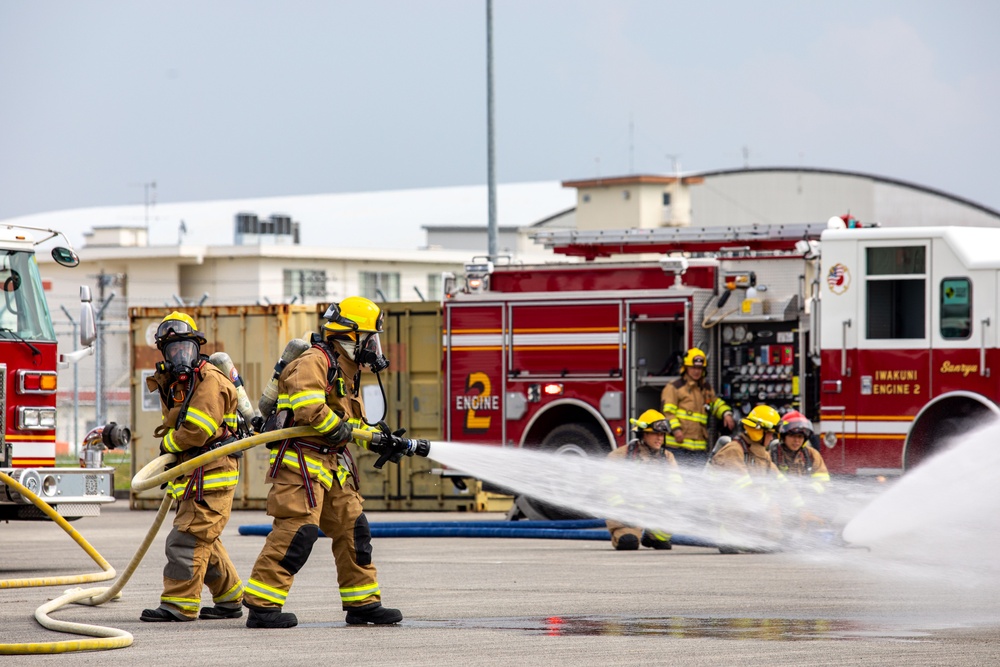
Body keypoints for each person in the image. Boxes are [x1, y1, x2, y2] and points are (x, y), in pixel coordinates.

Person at [244, 296, 417, 628]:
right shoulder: (314, 361)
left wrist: (383, 439)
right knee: (297, 532)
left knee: (354, 530)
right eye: (369, 339)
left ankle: (362, 603)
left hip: (332, 466)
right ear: (348, 336)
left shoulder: (345, 369)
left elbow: (349, 422)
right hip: (301, 465)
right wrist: (339, 429)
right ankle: (262, 606)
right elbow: (309, 407)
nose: (374, 348)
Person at [141, 312, 244, 622]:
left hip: (212, 471)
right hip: (195, 472)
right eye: (173, 350)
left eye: (186, 348)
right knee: (203, 540)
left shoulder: (210, 380)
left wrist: (168, 446)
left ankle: (178, 604)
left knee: (186, 538)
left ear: (197, 347)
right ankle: (230, 599)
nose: (180, 356)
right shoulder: (175, 383)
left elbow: (197, 430)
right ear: (164, 353)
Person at [707, 403, 793, 554]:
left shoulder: (761, 453)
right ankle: (728, 537)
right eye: (770, 433)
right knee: (765, 503)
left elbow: (780, 481)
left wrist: (800, 505)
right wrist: (771, 505)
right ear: (759, 431)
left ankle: (760, 538)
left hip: (747, 505)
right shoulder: (734, 450)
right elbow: (744, 488)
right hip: (722, 506)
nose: (773, 438)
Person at [604, 409, 682, 551]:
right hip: (628, 516)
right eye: (655, 434)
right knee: (628, 543)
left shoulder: (667, 457)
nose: (660, 438)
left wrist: (670, 501)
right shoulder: (622, 455)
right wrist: (621, 508)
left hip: (656, 513)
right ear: (643, 434)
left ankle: (652, 536)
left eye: (662, 435)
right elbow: (608, 486)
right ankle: (629, 534)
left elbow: (676, 483)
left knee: (663, 544)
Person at [660, 347, 736, 465]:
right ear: (685, 368)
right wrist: (676, 430)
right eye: (693, 367)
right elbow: (668, 412)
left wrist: (726, 414)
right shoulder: (674, 387)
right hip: (677, 447)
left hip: (699, 449)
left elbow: (716, 403)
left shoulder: (705, 389)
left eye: (700, 368)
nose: (697, 371)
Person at [771, 411, 830, 495]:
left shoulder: (811, 454)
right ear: (783, 436)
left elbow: (823, 481)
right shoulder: (773, 454)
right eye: (792, 436)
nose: (797, 440)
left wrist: (809, 490)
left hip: (808, 501)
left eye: (800, 436)